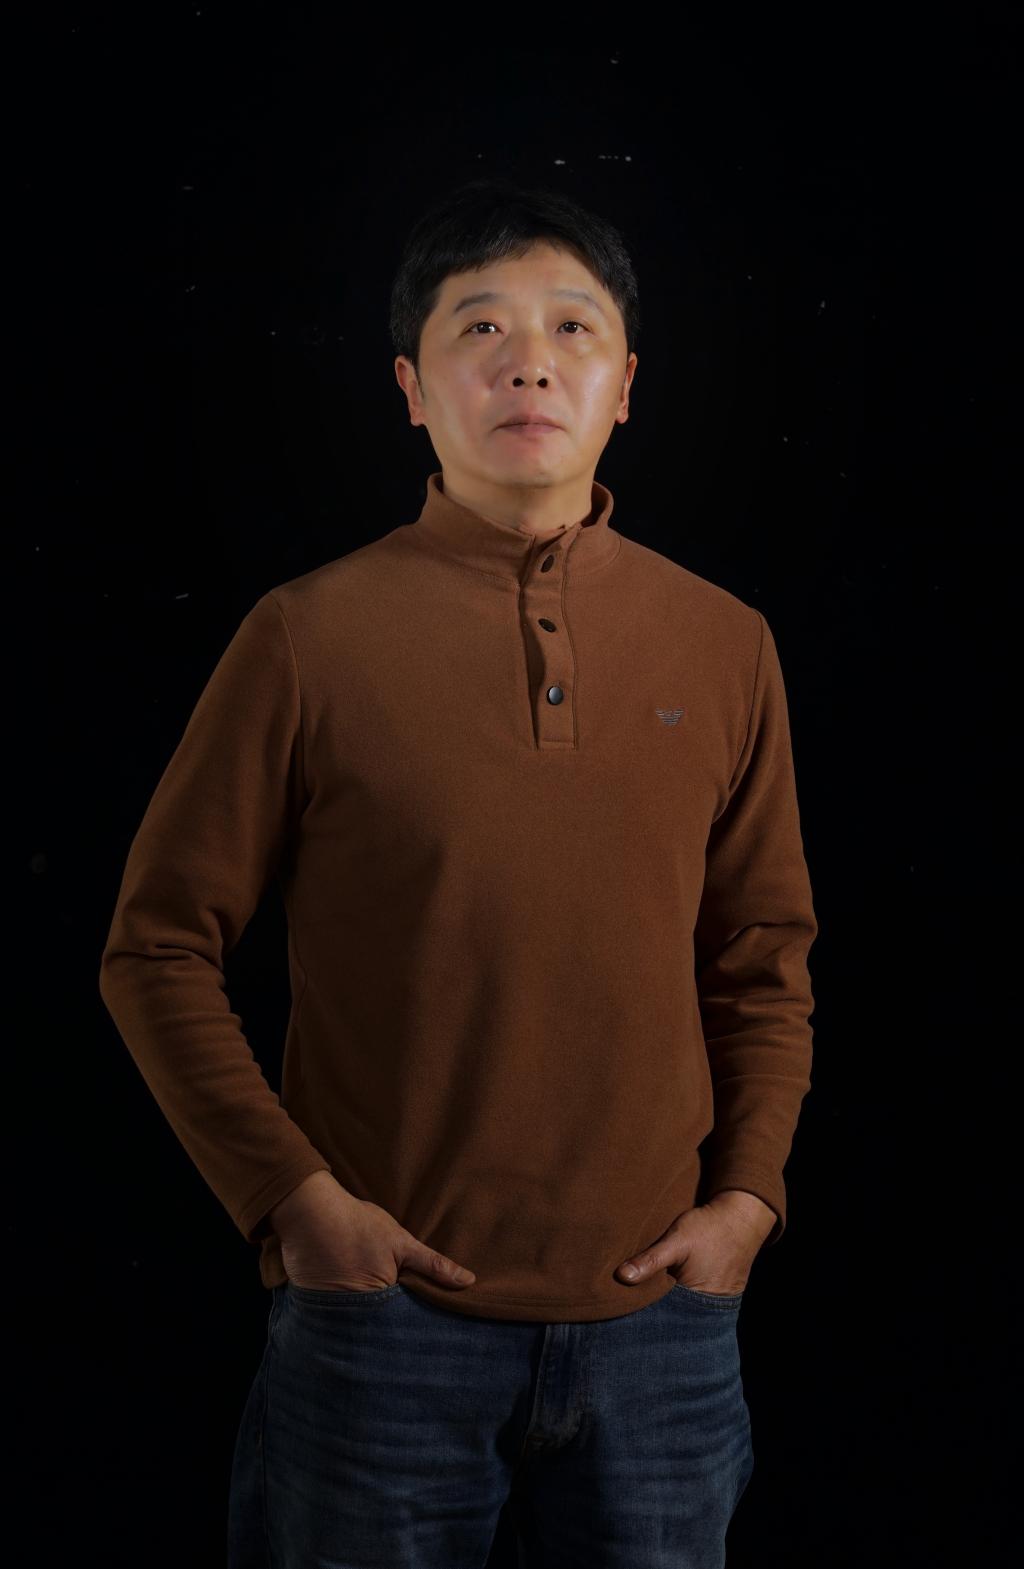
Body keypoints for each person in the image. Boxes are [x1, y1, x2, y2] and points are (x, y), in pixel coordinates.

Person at [98, 175, 818, 1568]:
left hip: (665, 1337)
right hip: (382, 1333)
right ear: (412, 390)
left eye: (571, 327)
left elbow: (763, 957)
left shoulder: (727, 643)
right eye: (479, 327)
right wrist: (294, 1202)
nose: (528, 361)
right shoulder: (306, 636)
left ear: (625, 386)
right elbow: (157, 945)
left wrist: (748, 1201)